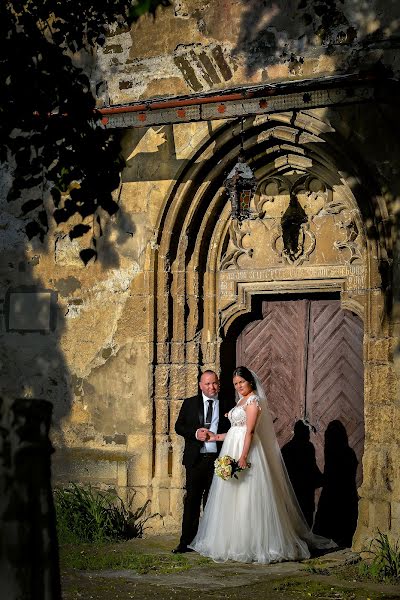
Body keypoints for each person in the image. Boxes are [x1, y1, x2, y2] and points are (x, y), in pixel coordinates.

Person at [189, 366, 337, 563]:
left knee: (249, 496)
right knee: (232, 496)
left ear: (250, 381)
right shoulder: (240, 401)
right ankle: (232, 541)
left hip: (247, 451)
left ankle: (254, 543)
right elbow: (235, 431)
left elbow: (249, 432)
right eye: (235, 384)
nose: (239, 386)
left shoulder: (253, 401)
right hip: (231, 448)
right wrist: (214, 437)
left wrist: (243, 457)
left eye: (241, 382)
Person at [172, 370, 231, 554]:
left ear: (219, 384)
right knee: (192, 501)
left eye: (214, 383)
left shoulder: (228, 405)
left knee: (213, 503)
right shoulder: (190, 403)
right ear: (200, 385)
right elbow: (178, 426)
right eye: (207, 384)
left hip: (217, 461)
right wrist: (196, 433)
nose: (211, 387)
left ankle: (210, 543)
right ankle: (186, 542)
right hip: (195, 461)